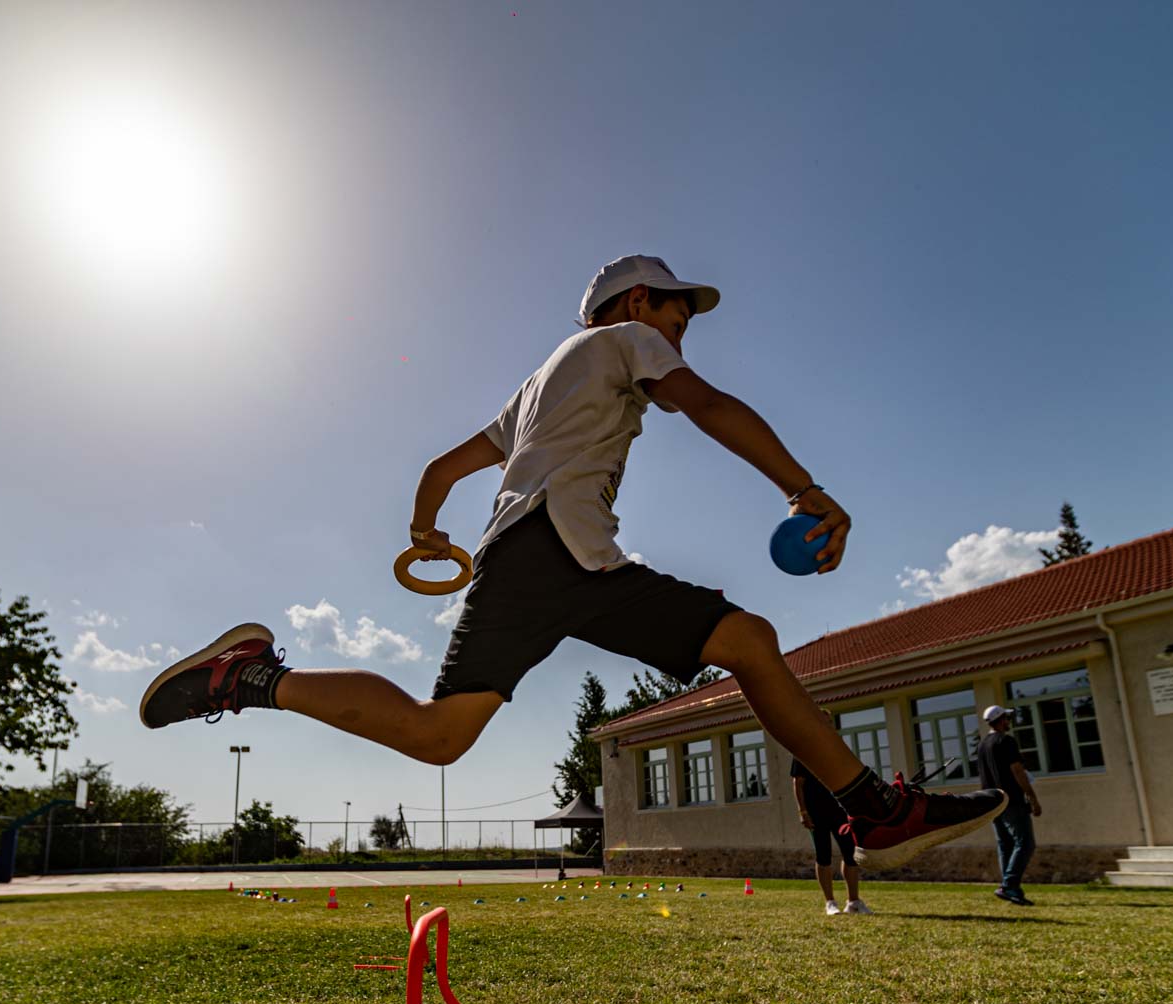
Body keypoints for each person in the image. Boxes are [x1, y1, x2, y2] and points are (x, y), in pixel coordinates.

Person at [141, 255, 1007, 867]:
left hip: (534, 556)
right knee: (747, 639)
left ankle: (247, 679)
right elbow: (705, 404)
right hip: (562, 550)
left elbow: (440, 469)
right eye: (676, 310)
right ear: (635, 303)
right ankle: (874, 807)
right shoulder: (622, 343)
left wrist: (425, 532)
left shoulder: (536, 384)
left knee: (441, 735)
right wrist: (803, 488)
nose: (682, 328)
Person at [792, 734, 870, 915]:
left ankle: (853, 902)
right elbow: (797, 783)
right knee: (823, 854)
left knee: (850, 853)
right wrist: (803, 811)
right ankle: (830, 903)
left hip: (840, 811)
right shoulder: (802, 750)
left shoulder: (836, 749)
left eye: (828, 723)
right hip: (815, 812)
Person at [976, 706, 1042, 905]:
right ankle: (1009, 885)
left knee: (1005, 845)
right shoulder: (1006, 741)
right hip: (1011, 800)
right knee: (1025, 843)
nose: (1009, 721)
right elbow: (1017, 771)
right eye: (1006, 718)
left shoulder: (982, 745)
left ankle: (1009, 888)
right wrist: (1032, 797)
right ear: (1000, 720)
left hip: (992, 801)